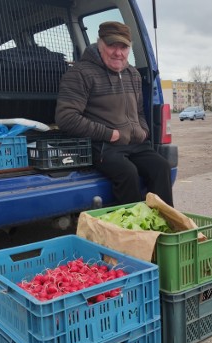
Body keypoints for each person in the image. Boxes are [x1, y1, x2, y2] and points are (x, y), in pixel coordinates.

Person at [55, 21, 174, 206]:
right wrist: (109, 134)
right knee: (127, 172)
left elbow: (140, 111)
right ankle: (130, 230)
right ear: (100, 44)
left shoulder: (133, 74)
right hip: (102, 146)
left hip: (135, 143)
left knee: (161, 167)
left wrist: (143, 130)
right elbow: (66, 118)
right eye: (112, 45)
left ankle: (165, 226)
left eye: (124, 47)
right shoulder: (80, 73)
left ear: (129, 48)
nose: (118, 53)